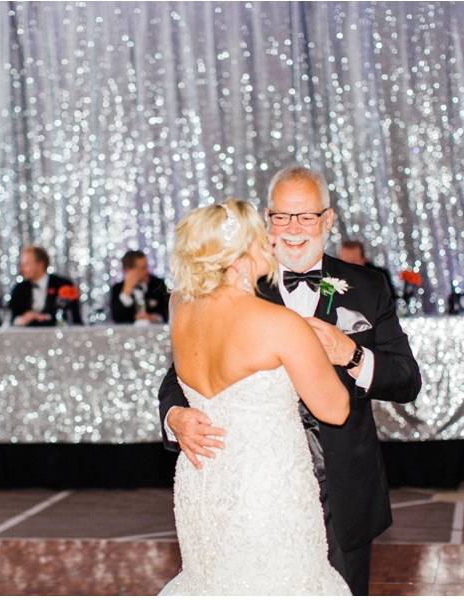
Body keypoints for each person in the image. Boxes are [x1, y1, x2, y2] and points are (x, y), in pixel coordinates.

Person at [159, 166, 422, 595]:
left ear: (328, 220)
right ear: (265, 220)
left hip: (344, 487)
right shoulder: (234, 292)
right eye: (281, 217)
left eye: (306, 217)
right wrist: (175, 416)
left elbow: (407, 379)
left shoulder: (368, 285)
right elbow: (178, 374)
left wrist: (352, 354)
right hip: (251, 489)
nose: (294, 229)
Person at [158, 198, 351, 595]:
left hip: (203, 480)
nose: (271, 242)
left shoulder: (179, 306)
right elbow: (334, 409)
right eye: (261, 237)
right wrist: (338, 351)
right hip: (268, 489)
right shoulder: (279, 324)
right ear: (243, 253)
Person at [8, 245, 83, 327]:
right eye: (22, 265)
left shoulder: (63, 285)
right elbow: (10, 319)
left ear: (40, 264)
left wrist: (44, 317)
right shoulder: (19, 289)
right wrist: (23, 319)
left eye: (26, 264)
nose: (22, 269)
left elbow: (73, 318)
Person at [110, 250, 170, 324]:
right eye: (143, 268)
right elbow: (117, 317)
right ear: (128, 270)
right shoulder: (117, 289)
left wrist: (153, 317)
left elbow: (168, 312)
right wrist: (126, 291)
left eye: (146, 267)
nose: (147, 271)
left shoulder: (158, 284)